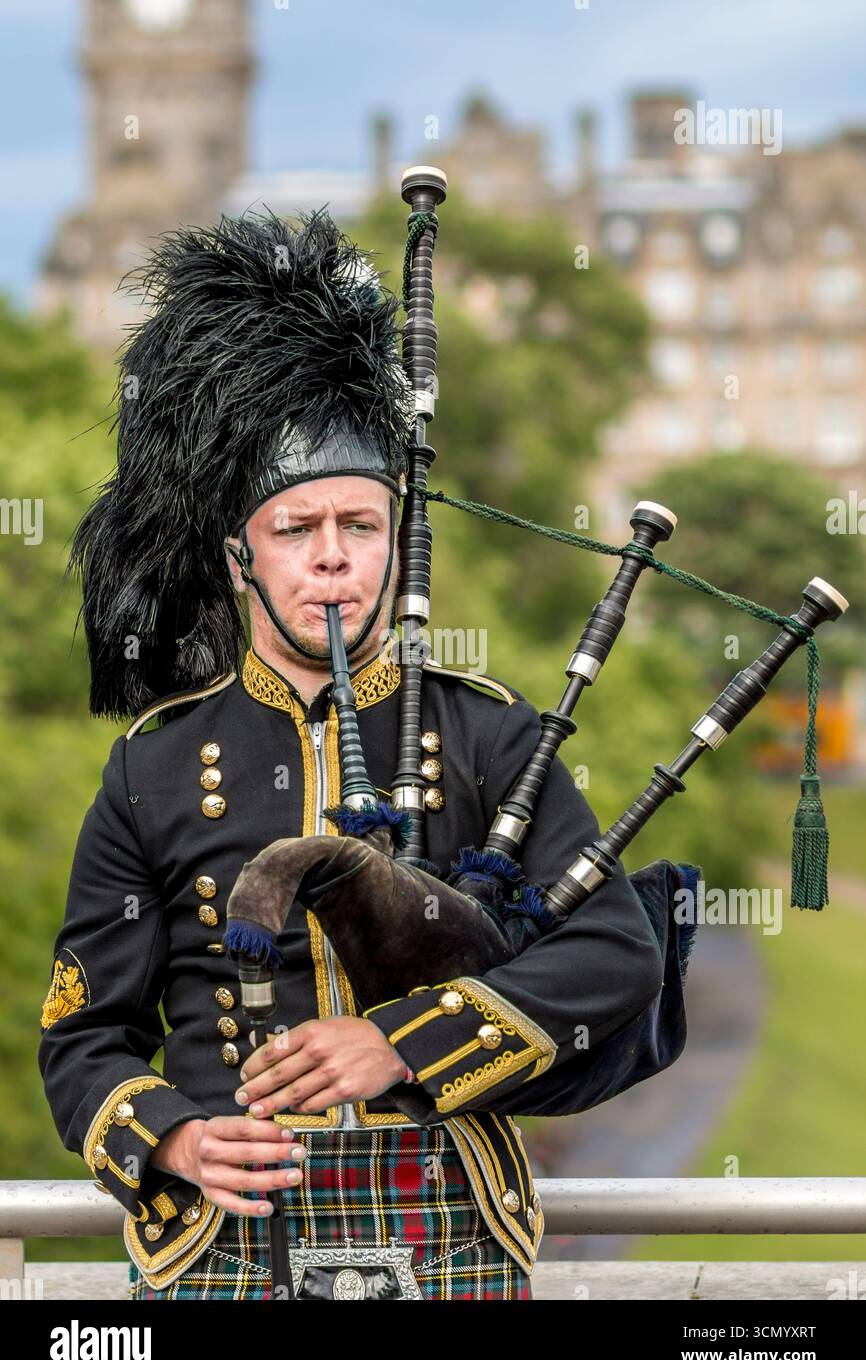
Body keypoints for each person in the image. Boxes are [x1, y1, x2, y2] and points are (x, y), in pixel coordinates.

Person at [38, 207, 664, 1300]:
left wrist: (404, 1043)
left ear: (394, 536)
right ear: (241, 555)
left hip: (450, 1216)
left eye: (360, 526)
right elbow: (83, 1034)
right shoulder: (153, 767)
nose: (332, 560)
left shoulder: (488, 735)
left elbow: (616, 954)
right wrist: (175, 1140)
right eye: (296, 529)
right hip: (224, 1237)